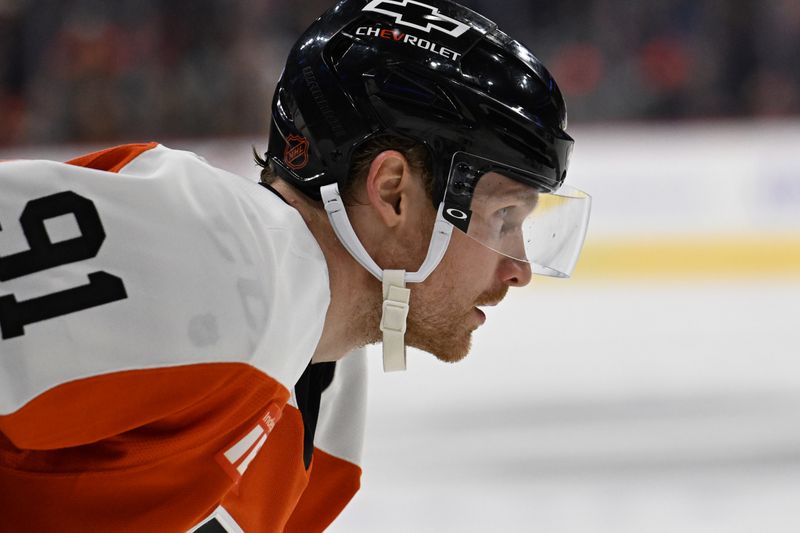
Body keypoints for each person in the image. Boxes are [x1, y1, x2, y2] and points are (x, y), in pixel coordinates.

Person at [0, 0, 591, 531]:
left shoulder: (327, 387)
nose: (518, 269)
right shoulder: (214, 257)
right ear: (394, 193)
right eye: (504, 216)